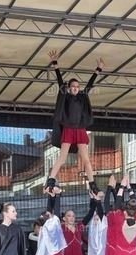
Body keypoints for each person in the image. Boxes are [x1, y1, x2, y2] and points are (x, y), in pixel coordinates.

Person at [45, 49, 104, 194]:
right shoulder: (65, 96)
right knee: (62, 157)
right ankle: (50, 181)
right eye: (73, 86)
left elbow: (90, 84)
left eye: (77, 86)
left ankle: (92, 185)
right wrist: (55, 63)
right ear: (69, 88)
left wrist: (98, 69)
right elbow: (60, 81)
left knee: (86, 159)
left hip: (80, 129)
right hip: (68, 129)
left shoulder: (82, 97)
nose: (76, 88)